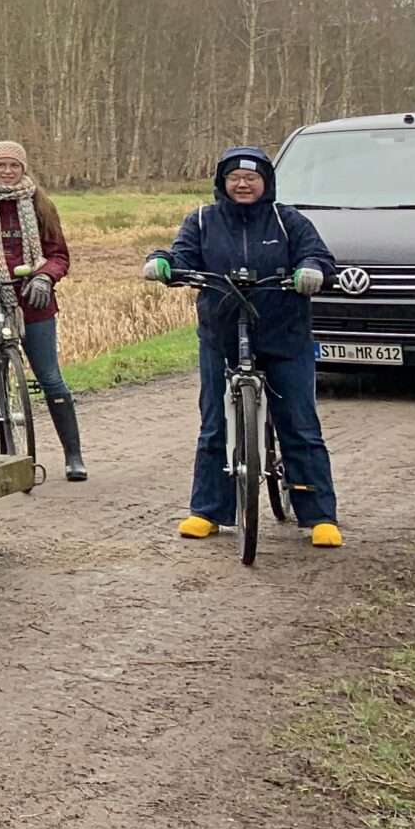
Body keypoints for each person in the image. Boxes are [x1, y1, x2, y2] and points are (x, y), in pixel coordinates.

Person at [145, 147, 340, 544]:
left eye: (252, 177)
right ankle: (208, 512)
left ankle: (319, 516)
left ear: (266, 182)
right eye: (234, 177)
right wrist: (163, 263)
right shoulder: (202, 220)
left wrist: (312, 271)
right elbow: (180, 254)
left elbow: (319, 257)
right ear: (222, 183)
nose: (243, 183)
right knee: (215, 423)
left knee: (300, 425)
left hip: (284, 335)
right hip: (221, 335)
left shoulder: (289, 221)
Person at [0, 140, 86, 482]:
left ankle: (73, 455)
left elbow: (60, 255)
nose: (8, 172)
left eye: (14, 166)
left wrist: (44, 278)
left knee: (51, 378)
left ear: (24, 169)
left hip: (34, 301)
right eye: (1, 165)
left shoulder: (40, 205)